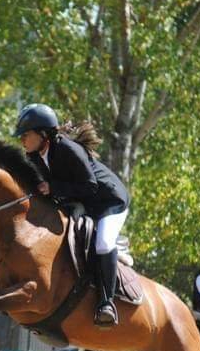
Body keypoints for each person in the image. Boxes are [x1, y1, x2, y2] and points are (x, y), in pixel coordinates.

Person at [15, 103, 130, 326]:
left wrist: (53, 188)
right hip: (83, 202)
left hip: (109, 201)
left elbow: (91, 187)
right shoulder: (35, 156)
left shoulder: (68, 150)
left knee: (104, 243)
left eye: (25, 135)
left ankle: (107, 303)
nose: (22, 140)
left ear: (42, 134)